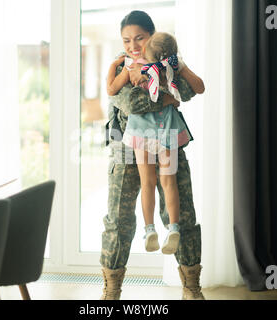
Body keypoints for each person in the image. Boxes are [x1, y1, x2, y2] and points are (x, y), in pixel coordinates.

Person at [101, 10, 205, 300]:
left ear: (152, 37)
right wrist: (169, 98)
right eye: (126, 40)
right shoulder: (121, 65)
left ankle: (191, 287)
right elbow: (132, 103)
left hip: (166, 138)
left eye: (140, 38)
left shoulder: (168, 61)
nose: (133, 46)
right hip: (126, 145)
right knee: (118, 219)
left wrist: (175, 92)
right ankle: (111, 290)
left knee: (181, 213)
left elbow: (189, 89)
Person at [108, 31, 192, 256]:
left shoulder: (133, 67)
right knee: (169, 182)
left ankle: (149, 230)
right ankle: (173, 228)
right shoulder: (171, 69)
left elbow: (112, 89)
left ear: (146, 47)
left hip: (142, 130)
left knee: (147, 182)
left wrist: (115, 65)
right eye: (127, 40)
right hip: (167, 128)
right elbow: (193, 89)